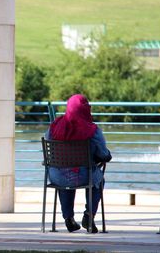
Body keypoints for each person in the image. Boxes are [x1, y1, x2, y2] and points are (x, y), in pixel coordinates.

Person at [46, 94, 112, 233]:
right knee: (98, 180)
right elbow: (103, 154)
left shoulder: (54, 126)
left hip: (57, 176)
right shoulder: (92, 130)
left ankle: (68, 219)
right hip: (83, 176)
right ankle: (89, 216)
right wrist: (106, 155)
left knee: (64, 175)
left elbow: (50, 150)